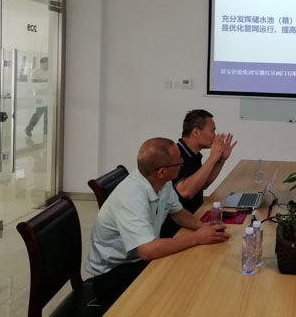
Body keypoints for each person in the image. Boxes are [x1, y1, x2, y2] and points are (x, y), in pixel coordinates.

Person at [86, 137, 231, 310]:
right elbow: (147, 251)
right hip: (114, 273)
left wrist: (204, 227)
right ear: (162, 171)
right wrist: (197, 238)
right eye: (179, 161)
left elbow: (178, 214)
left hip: (137, 259)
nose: (182, 163)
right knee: (180, 290)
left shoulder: (161, 182)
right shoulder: (131, 197)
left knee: (192, 270)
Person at [161, 109, 237, 237]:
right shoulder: (177, 155)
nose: (215, 136)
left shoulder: (193, 154)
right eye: (212, 131)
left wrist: (221, 159)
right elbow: (186, 192)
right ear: (196, 131)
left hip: (195, 215)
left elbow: (203, 184)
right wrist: (212, 158)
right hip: (177, 227)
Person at [25, 57, 48, 137]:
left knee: (48, 114)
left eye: (47, 64)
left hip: (49, 94)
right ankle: (29, 128)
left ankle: (46, 132)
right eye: (45, 64)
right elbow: (34, 81)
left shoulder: (51, 71)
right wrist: (46, 81)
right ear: (41, 64)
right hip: (40, 94)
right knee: (38, 113)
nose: (46, 66)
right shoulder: (36, 72)